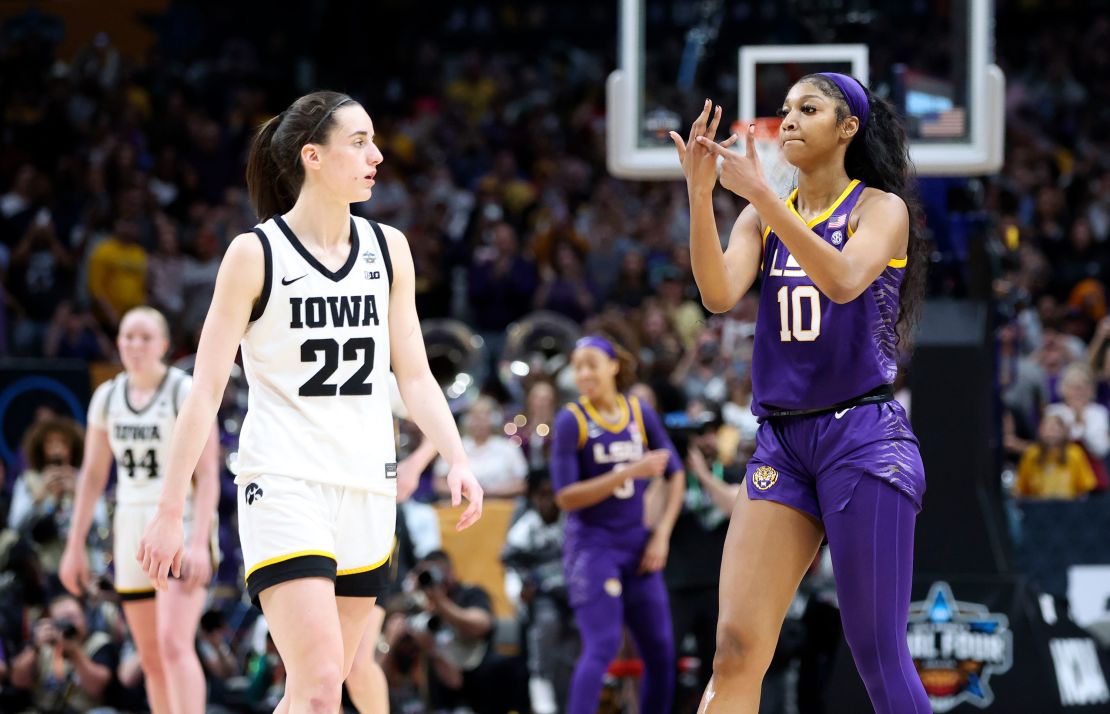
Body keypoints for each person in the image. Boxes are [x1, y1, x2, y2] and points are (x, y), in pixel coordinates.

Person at [135, 90, 483, 714]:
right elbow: (206, 390)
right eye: (359, 142)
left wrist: (456, 457)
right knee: (323, 686)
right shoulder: (254, 253)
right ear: (312, 157)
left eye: (374, 141)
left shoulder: (389, 249)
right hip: (285, 481)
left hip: (366, 490)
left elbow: (416, 374)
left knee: (312, 693)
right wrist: (170, 508)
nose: (377, 155)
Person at [670, 73, 931, 713]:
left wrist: (762, 191)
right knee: (734, 647)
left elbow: (842, 279)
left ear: (847, 130)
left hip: (862, 438)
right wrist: (702, 196)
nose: (786, 119)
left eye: (807, 109)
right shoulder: (760, 215)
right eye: (784, 109)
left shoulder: (880, 208)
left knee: (876, 651)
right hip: (782, 443)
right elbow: (718, 295)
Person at [59, 305, 219, 714]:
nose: (135, 345)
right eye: (128, 336)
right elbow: (93, 477)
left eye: (145, 337)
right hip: (130, 524)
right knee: (150, 656)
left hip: (179, 521)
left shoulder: (185, 390)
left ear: (164, 345)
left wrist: (201, 540)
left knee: (173, 643)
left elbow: (209, 476)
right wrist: (74, 545)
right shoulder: (107, 396)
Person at [551, 335, 686, 714]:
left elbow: (675, 473)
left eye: (592, 363)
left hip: (638, 544)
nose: (583, 373)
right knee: (603, 644)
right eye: (577, 366)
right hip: (592, 546)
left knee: (661, 650)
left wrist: (661, 535)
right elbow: (566, 496)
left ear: (614, 367)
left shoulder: (639, 412)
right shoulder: (571, 420)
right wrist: (629, 471)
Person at [1014, 412, 1099, 499]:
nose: (1051, 434)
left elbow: (1085, 487)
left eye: (1055, 430)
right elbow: (1020, 489)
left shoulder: (1074, 453)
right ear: (1040, 431)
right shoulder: (1031, 454)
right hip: (1039, 507)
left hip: (1069, 507)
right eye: (1047, 429)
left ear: (1063, 431)